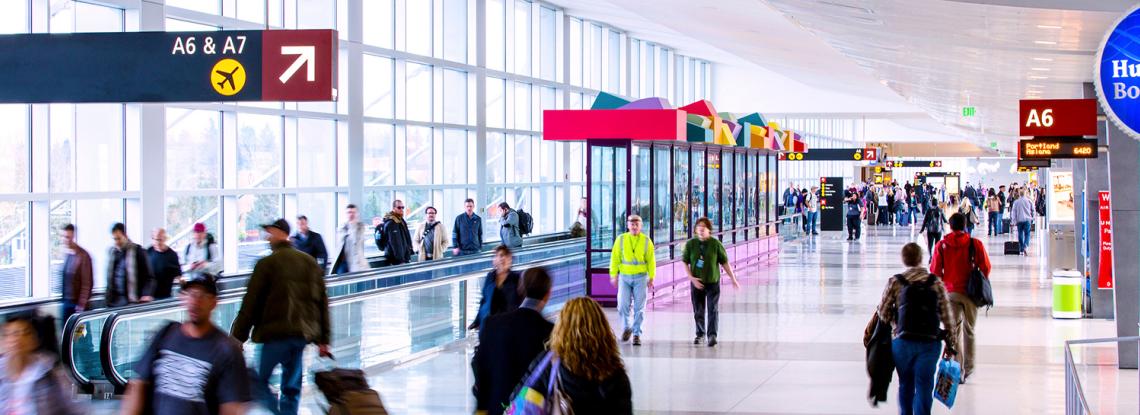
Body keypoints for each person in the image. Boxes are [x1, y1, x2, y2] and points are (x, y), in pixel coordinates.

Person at [231, 219, 331, 415]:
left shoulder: (266, 264)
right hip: (300, 336)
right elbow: (322, 304)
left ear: (282, 234)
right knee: (291, 387)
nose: (268, 237)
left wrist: (238, 336)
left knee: (258, 383)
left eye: (271, 232)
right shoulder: (308, 262)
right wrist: (323, 339)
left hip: (274, 335)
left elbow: (251, 303)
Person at [122, 276, 251, 415]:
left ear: (214, 303)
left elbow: (231, 407)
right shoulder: (166, 334)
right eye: (191, 294)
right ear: (182, 298)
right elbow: (139, 384)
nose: (195, 301)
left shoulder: (227, 351)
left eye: (203, 296)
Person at [876, 243, 958, 415]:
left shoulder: (895, 282)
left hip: (902, 342)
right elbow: (948, 319)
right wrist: (951, 345)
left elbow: (883, 313)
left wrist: (896, 325)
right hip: (930, 343)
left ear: (904, 260)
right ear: (921, 259)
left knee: (905, 383)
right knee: (924, 385)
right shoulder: (935, 283)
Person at [471, 267, 554, 415]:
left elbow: (480, 366)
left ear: (520, 289)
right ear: (548, 294)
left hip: (496, 407)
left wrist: (481, 407)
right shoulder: (552, 333)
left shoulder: (492, 324)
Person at [929, 213, 991, 383]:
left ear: (950, 226)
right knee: (969, 330)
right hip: (970, 294)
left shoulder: (941, 246)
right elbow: (985, 267)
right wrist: (978, 282)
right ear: (965, 225)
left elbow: (935, 272)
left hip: (950, 294)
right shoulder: (974, 244)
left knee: (953, 332)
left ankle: (959, 368)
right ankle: (969, 368)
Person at [543, 297, 633, 413]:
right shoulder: (616, 374)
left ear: (561, 328)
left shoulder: (547, 365)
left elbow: (523, 402)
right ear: (602, 328)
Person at [0, 313, 82, 415]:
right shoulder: (2, 376)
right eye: (11, 334)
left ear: (34, 341)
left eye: (25, 333)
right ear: (2, 341)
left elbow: (76, 407)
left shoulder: (52, 374)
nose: (16, 339)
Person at [683, 217, 740, 347]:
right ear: (696, 229)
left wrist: (733, 279)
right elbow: (685, 262)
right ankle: (700, 334)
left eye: (704, 227)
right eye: (699, 227)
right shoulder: (691, 244)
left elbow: (724, 262)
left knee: (712, 309)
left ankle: (712, 335)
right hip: (696, 283)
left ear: (709, 230)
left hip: (712, 282)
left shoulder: (715, 244)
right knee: (698, 310)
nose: (701, 229)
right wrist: (691, 278)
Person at [609, 214, 656, 346]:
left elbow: (651, 261)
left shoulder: (646, 241)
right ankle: (626, 328)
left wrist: (651, 277)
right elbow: (615, 258)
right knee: (622, 304)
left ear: (641, 226)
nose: (634, 226)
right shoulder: (621, 240)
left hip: (641, 278)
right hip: (624, 277)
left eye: (637, 224)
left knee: (639, 308)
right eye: (632, 224)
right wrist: (613, 275)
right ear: (628, 225)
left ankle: (636, 333)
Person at [469, 245, 521, 330]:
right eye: (497, 256)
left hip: (506, 325)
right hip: (487, 323)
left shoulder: (516, 278)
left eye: (503, 255)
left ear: (510, 259)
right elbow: (484, 300)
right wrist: (477, 321)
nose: (500, 259)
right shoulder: (490, 276)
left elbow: (520, 302)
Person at [106, 223, 154, 307]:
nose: (116, 242)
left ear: (125, 235)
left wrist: (146, 294)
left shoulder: (138, 251)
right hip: (114, 300)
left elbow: (149, 277)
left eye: (119, 239)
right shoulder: (113, 252)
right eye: (114, 239)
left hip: (131, 300)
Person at [58, 224, 92, 320]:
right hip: (66, 302)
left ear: (73, 237)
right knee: (67, 332)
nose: (66, 240)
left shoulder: (83, 255)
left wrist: (82, 305)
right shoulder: (66, 254)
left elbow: (87, 283)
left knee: (81, 333)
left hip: (77, 304)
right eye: (64, 237)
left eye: (69, 237)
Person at [146, 228, 183, 300]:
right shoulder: (148, 251)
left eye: (160, 240)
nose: (157, 242)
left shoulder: (172, 255)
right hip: (149, 296)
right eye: (155, 239)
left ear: (165, 239)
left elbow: (178, 276)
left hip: (164, 297)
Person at [333, 204, 370, 274]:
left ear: (357, 214)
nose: (351, 215)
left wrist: (352, 226)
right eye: (349, 212)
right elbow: (340, 241)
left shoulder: (360, 227)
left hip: (356, 262)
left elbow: (355, 241)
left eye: (353, 212)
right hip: (343, 262)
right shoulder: (342, 227)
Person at [376, 200, 414, 265]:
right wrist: (401, 261)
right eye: (399, 207)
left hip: (402, 258)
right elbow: (396, 243)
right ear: (393, 208)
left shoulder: (400, 220)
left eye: (403, 207)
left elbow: (405, 238)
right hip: (397, 260)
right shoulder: (392, 223)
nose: (401, 209)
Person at [1010, 189, 1036, 255]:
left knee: (1020, 234)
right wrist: (1033, 218)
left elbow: (1013, 212)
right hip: (1027, 220)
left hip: (1019, 220)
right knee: (1027, 234)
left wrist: (1013, 221)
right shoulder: (1029, 201)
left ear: (1019, 194)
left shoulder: (1016, 202)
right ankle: (1025, 246)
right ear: (1025, 194)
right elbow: (1033, 210)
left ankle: (1021, 248)